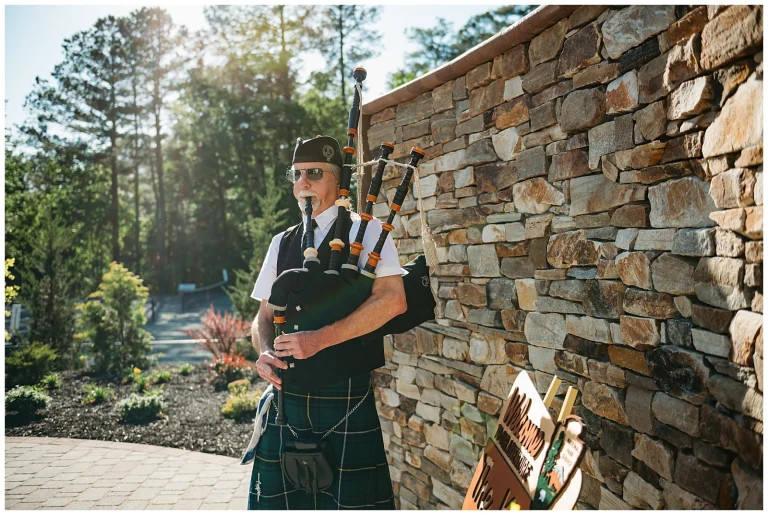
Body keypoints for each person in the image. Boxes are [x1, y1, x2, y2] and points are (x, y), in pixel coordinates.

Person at [246, 135, 406, 510]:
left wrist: (321, 339)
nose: (303, 182)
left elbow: (393, 301)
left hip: (344, 395)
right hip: (287, 399)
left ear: (337, 181)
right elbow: (263, 316)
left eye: (314, 173)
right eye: (297, 174)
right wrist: (265, 350)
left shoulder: (367, 230)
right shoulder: (282, 242)